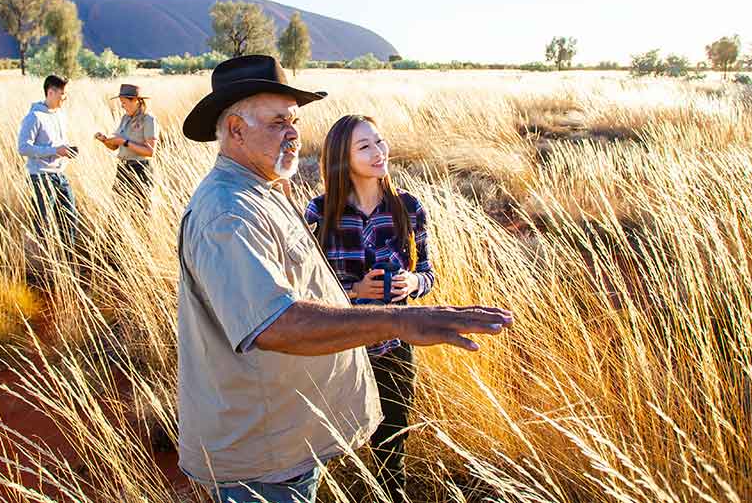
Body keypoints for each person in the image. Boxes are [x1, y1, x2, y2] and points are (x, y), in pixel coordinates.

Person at [176, 55, 514, 503]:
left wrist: (411, 290)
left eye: (294, 120)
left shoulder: (264, 191)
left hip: (286, 442)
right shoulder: (230, 211)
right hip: (263, 457)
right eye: (278, 122)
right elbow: (273, 324)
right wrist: (398, 321)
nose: (294, 133)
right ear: (236, 130)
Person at [304, 114, 434, 502]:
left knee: (391, 443)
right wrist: (353, 289)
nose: (379, 153)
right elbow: (305, 288)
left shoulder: (408, 208)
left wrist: (413, 283)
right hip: (338, 348)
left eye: (380, 142)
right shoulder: (319, 213)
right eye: (365, 147)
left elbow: (427, 272)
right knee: (324, 439)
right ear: (342, 158)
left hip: (393, 347)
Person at [17, 74, 77, 258]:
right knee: (43, 223)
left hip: (59, 175)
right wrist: (54, 151)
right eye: (62, 94)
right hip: (41, 177)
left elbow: (57, 145)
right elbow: (23, 148)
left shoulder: (59, 115)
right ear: (50, 92)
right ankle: (38, 263)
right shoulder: (34, 117)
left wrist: (65, 151)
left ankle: (68, 261)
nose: (64, 98)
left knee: (69, 218)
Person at [94, 83, 158, 210]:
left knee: (140, 211)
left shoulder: (148, 119)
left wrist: (125, 142)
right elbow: (115, 147)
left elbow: (150, 152)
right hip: (123, 168)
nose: (122, 106)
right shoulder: (125, 118)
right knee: (117, 210)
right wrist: (105, 141)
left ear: (136, 101)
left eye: (124, 102)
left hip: (140, 169)